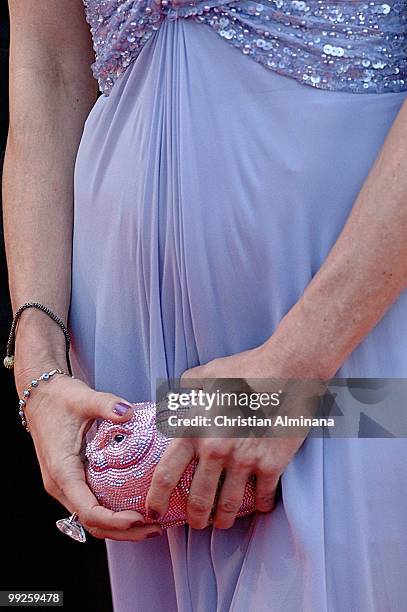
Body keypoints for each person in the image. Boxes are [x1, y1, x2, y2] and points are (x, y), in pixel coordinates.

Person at [3, 1, 407, 610]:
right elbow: (51, 67)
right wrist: (39, 369)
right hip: (120, 335)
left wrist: (298, 360)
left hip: (345, 328)